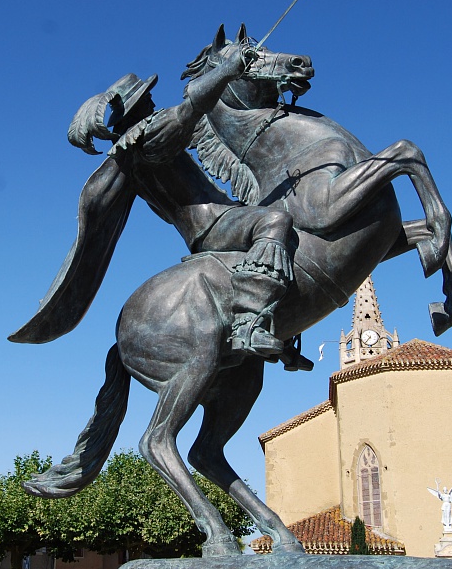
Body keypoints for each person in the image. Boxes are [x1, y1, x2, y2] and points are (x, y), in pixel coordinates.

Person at [66, 42, 309, 369]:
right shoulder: (149, 139)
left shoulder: (135, 153)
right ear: (135, 110)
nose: (152, 103)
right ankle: (248, 325)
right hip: (210, 224)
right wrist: (226, 70)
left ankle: (287, 330)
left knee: (285, 226)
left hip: (220, 214)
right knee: (275, 222)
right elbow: (190, 109)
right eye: (146, 100)